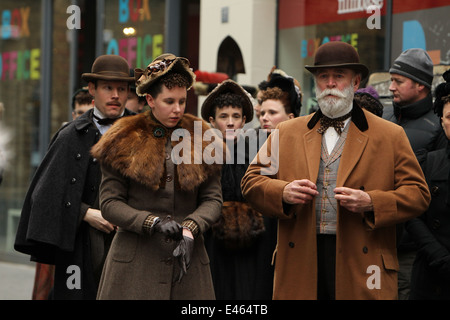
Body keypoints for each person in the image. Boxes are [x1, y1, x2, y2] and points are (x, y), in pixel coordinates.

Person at [241, 41, 431, 300]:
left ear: (355, 83)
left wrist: (372, 201)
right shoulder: (287, 132)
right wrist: (282, 191)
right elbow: (251, 182)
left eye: (339, 76)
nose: (330, 83)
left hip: (363, 263)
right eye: (323, 77)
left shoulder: (390, 135)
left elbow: (419, 194)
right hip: (301, 258)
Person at [91, 53, 223, 300]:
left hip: (189, 268)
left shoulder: (203, 136)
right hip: (134, 269)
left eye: (183, 101)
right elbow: (109, 204)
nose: (178, 109)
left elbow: (213, 200)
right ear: (150, 99)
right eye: (169, 101)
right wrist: (152, 222)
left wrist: (191, 228)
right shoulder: (122, 137)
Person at [14, 54, 136, 299]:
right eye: (108, 88)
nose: (115, 95)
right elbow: (45, 195)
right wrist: (85, 213)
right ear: (92, 89)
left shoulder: (140, 133)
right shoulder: (71, 135)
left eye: (122, 89)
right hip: (81, 247)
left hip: (131, 244)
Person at [200, 79, 276, 299]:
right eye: (224, 117)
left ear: (244, 120)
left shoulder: (260, 150)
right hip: (214, 238)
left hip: (255, 238)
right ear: (213, 120)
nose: (230, 123)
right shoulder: (202, 151)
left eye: (236, 117)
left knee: (250, 291)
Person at [385, 48, 447, 300]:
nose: (390, 88)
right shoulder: (384, 116)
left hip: (411, 246)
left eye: (398, 81)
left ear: (420, 86)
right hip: (376, 235)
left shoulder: (439, 125)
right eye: (391, 80)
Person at [405, 70, 450, 299]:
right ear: (441, 121)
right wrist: (438, 256)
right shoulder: (429, 162)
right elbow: (412, 213)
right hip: (431, 273)